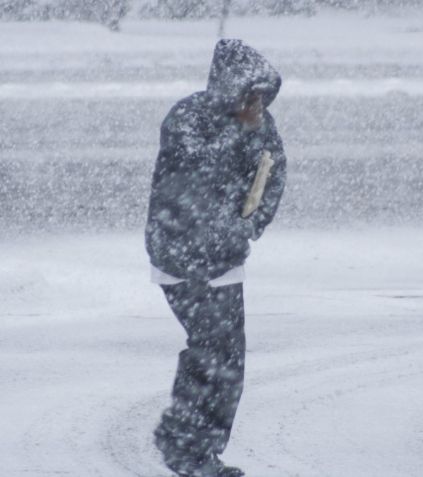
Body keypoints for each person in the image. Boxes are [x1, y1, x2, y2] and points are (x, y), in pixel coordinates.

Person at [144, 39, 287, 477]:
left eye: (263, 96)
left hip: (224, 262)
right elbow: (193, 183)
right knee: (213, 355)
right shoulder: (188, 119)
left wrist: (249, 226)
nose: (258, 105)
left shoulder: (259, 125)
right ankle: (187, 448)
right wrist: (239, 129)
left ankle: (190, 445)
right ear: (230, 90)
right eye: (251, 94)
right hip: (180, 259)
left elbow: (275, 171)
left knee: (225, 359)